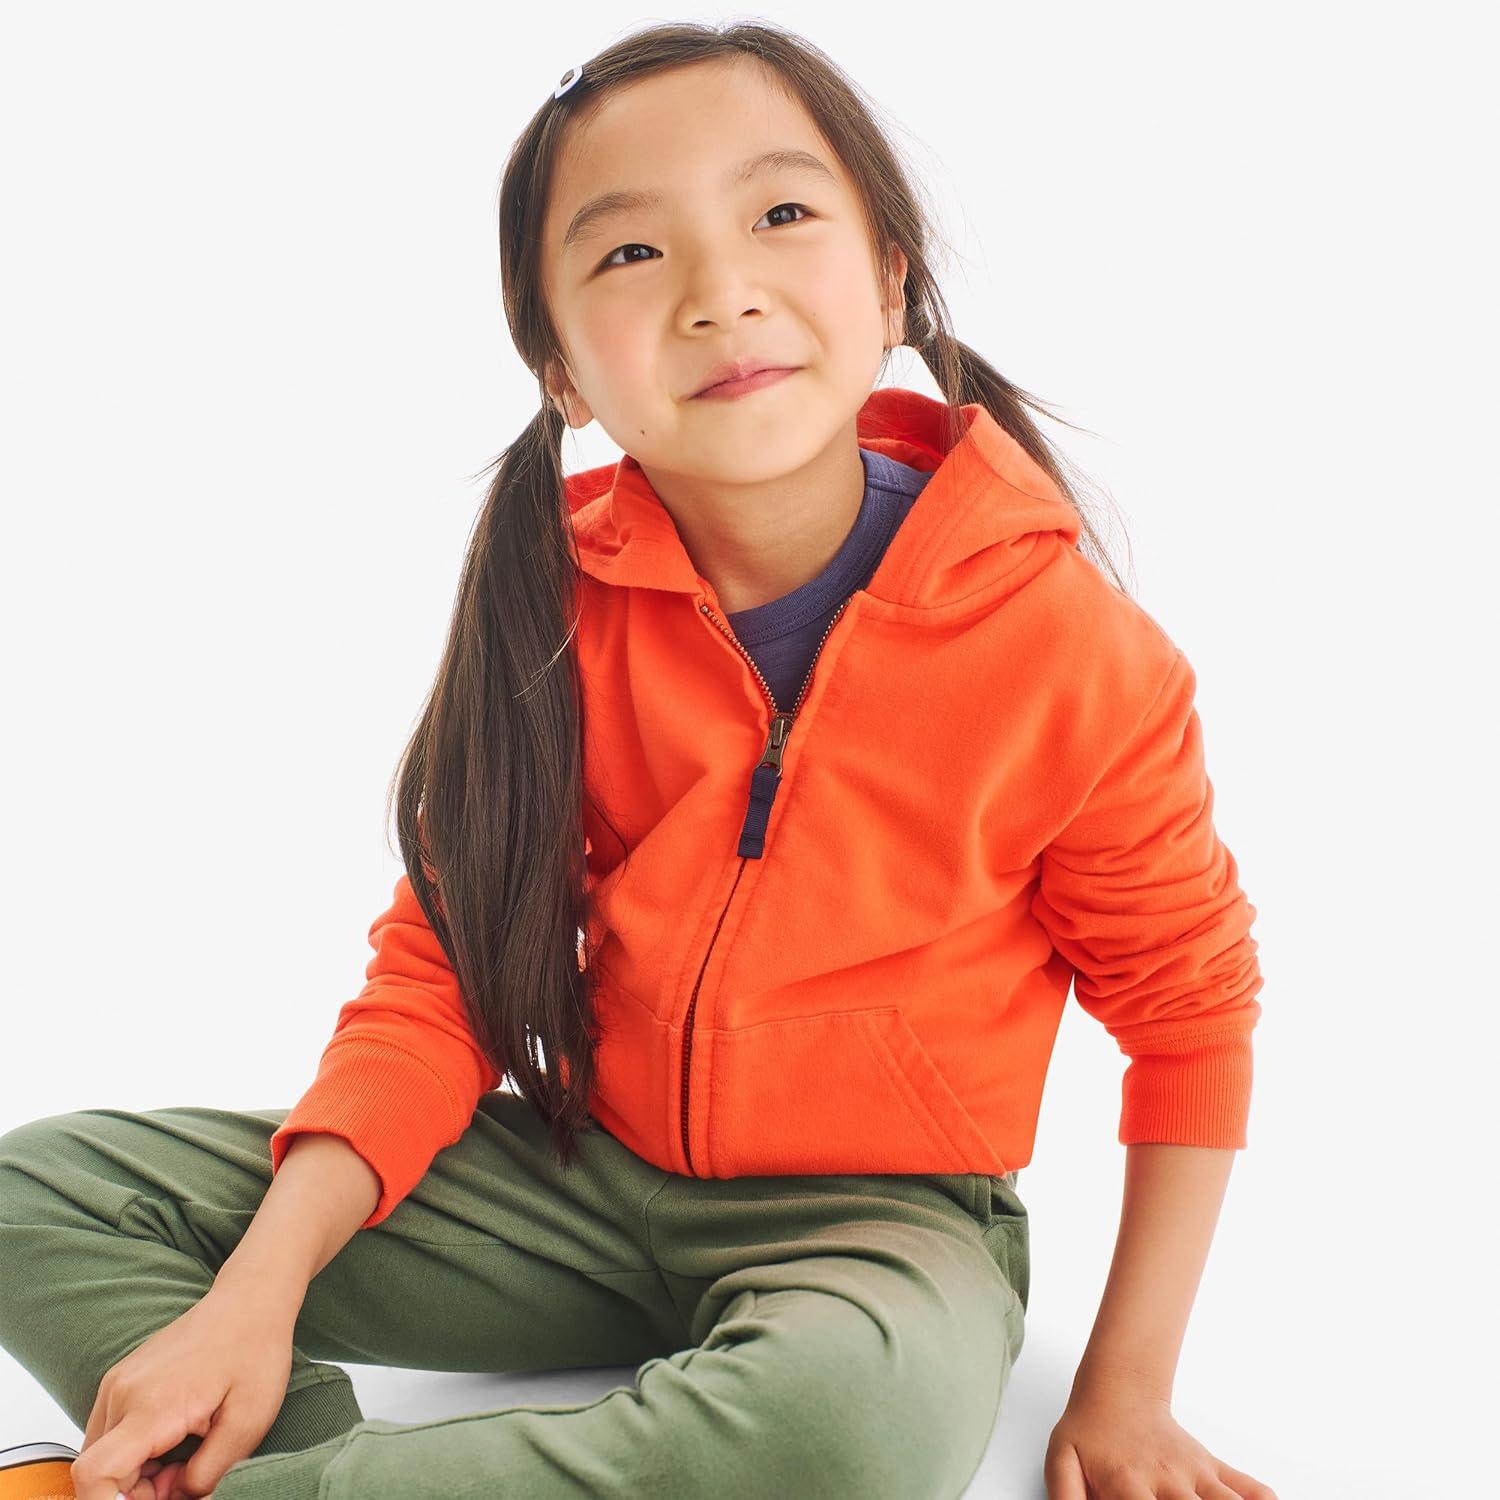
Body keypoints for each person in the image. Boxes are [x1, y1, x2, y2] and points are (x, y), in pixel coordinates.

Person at [0, 20, 1277, 1500]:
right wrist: (253, 1297)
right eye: (629, 253)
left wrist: (1127, 1394)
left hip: (882, 1234)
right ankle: (254, 1458)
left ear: (890, 282)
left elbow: (1190, 1018)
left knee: (838, 1434)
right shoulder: (553, 608)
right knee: (35, 1195)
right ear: (561, 368)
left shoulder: (1070, 652)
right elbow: (446, 977)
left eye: (780, 213)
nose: (720, 291)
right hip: (579, 1187)